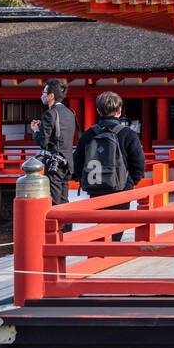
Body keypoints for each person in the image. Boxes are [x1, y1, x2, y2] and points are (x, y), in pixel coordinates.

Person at [71, 91, 146, 242]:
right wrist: (131, 182)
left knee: (101, 226)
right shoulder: (127, 133)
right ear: (119, 111)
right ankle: (109, 255)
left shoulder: (88, 134)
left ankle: (99, 256)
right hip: (121, 188)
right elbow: (139, 163)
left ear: (98, 111)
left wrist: (82, 180)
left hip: (96, 186)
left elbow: (77, 162)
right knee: (117, 227)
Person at [30, 78, 77, 205]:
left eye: (44, 93)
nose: (42, 95)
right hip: (68, 162)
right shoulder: (70, 113)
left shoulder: (50, 114)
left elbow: (43, 142)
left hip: (54, 163)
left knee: (55, 201)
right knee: (64, 199)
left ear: (51, 96)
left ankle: (58, 225)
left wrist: (35, 131)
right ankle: (67, 225)